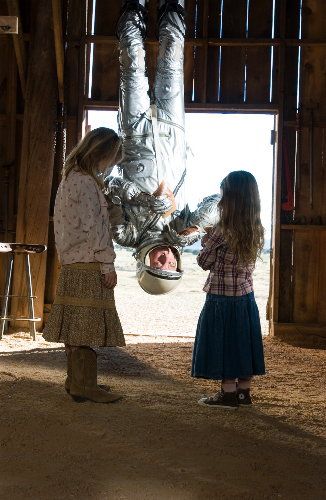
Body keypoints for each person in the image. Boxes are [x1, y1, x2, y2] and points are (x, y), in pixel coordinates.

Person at [104, 0, 219, 295]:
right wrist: (191, 229)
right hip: (172, 132)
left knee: (132, 56)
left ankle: (134, 5)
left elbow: (109, 186)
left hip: (135, 134)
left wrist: (141, 199)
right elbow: (222, 202)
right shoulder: (180, 233)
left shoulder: (125, 235)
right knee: (172, 56)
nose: (166, 259)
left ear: (145, 263)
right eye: (171, 265)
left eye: (159, 264)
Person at [43, 127, 125, 404]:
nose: (109, 165)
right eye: (110, 159)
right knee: (86, 326)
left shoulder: (70, 178)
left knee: (77, 325)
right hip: (88, 262)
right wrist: (107, 264)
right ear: (101, 154)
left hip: (73, 261)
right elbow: (95, 229)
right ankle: (84, 386)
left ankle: (76, 381)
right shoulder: (86, 183)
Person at [191, 170, 266, 409]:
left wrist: (206, 244)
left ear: (229, 200)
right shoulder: (257, 228)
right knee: (242, 341)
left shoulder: (220, 231)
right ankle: (244, 393)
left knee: (223, 342)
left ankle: (228, 394)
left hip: (220, 299)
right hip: (246, 297)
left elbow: (204, 262)